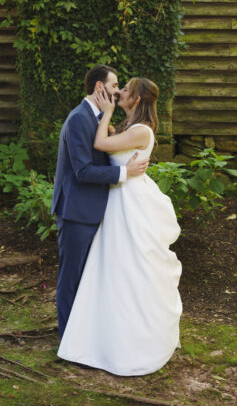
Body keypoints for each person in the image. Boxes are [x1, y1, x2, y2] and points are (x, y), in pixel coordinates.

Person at [57, 77, 182, 376]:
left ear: (136, 100)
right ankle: (96, 334)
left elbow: (101, 144)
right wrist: (111, 123)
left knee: (129, 269)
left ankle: (134, 340)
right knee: (111, 270)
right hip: (116, 202)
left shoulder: (139, 130)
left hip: (130, 205)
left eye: (125, 90)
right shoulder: (129, 128)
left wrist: (107, 115)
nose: (119, 92)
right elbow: (108, 147)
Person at [51, 65, 149, 338]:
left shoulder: (96, 119)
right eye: (114, 85)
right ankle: (67, 340)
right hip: (76, 213)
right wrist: (124, 172)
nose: (117, 91)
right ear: (99, 87)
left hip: (90, 211)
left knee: (85, 277)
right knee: (70, 278)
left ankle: (81, 336)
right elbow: (82, 171)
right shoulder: (80, 119)